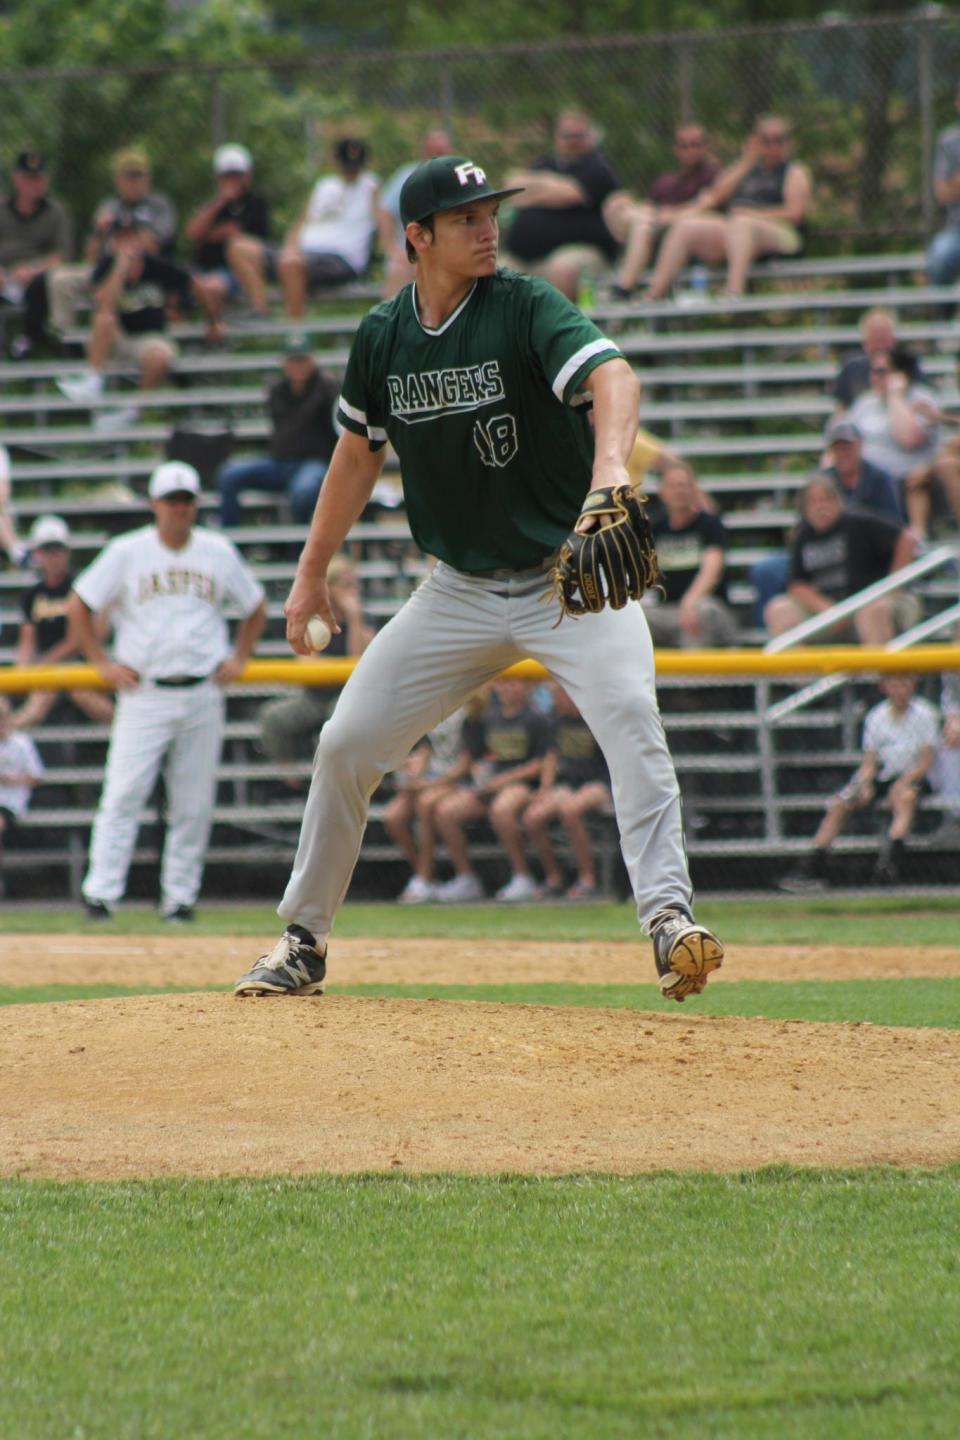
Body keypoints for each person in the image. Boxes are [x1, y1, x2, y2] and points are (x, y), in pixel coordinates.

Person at [232, 152, 722, 1002]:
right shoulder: (383, 336)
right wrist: (310, 576)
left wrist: (610, 468)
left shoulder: (527, 306)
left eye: (490, 211)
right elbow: (354, 454)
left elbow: (614, 375)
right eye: (466, 218)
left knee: (634, 718)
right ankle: (302, 941)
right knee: (346, 744)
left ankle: (668, 922)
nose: (488, 227)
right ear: (417, 237)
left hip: (566, 581)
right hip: (456, 588)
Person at [66, 461, 266, 922]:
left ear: (195, 503)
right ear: (154, 504)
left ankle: (179, 898)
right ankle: (100, 893)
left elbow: (255, 605)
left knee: (192, 803)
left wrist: (239, 657)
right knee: (122, 794)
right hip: (145, 690)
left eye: (186, 500)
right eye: (172, 500)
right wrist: (99, 662)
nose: (179, 508)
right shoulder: (127, 551)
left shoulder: (217, 551)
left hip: (202, 690)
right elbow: (79, 603)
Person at [780, 675, 939, 891]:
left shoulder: (924, 713)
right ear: (884, 686)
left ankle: (890, 864)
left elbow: (925, 762)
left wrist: (903, 783)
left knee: (906, 798)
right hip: (884, 776)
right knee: (840, 802)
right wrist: (864, 784)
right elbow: (869, 762)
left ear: (913, 685)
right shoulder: (877, 716)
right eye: (894, 683)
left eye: (904, 683)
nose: (899, 689)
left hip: (914, 778)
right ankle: (813, 865)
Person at [751, 415, 903, 626]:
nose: (843, 452)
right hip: (823, 564)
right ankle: (764, 639)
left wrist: (893, 584)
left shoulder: (877, 483)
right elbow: (802, 536)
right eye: (838, 447)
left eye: (847, 446)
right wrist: (827, 609)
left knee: (870, 603)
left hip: (867, 558)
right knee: (768, 570)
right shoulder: (822, 478)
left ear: (859, 445)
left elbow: (899, 532)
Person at [644, 117, 812, 301]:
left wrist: (751, 214)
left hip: (781, 236)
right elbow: (717, 195)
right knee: (686, 226)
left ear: (787, 143)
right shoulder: (744, 169)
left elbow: (795, 214)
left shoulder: (794, 172)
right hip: (738, 232)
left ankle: (734, 291)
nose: (772, 146)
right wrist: (747, 161)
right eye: (765, 140)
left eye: (778, 140)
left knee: (741, 222)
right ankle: (653, 294)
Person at [56, 214, 191, 431]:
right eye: (121, 237)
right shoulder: (106, 266)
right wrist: (120, 268)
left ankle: (134, 411)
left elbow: (191, 285)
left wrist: (210, 320)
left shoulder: (159, 265)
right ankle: (93, 379)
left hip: (149, 337)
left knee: (160, 356)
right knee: (104, 319)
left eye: (132, 236)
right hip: (115, 338)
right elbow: (104, 304)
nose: (128, 243)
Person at [258, 555, 374, 788]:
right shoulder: (314, 618)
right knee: (273, 717)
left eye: (355, 585)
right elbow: (305, 663)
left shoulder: (362, 619)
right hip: (313, 697)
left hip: (347, 697)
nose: (352, 592)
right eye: (346, 585)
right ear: (329, 588)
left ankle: (337, 779)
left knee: (338, 719)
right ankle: (292, 780)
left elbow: (358, 663)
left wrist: (353, 617)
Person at [431, 676, 550, 902]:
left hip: (521, 784)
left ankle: (522, 875)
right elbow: (476, 757)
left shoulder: (536, 717)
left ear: (526, 686)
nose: (506, 688)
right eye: (502, 682)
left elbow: (540, 763)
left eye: (513, 682)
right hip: (490, 785)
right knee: (446, 811)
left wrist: (504, 780)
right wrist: (480, 775)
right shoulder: (488, 717)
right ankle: (466, 878)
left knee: (502, 810)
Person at [764, 473, 918, 645]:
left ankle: (879, 671)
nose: (820, 507)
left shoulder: (859, 523)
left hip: (871, 602)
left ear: (838, 501)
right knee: (778, 610)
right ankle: (800, 672)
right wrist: (827, 610)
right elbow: (797, 585)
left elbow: (907, 539)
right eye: (813, 501)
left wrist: (893, 586)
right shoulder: (803, 536)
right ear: (804, 509)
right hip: (831, 611)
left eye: (826, 499)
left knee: (873, 611)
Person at [46, 146, 178, 341]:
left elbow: (155, 245)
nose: (133, 183)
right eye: (128, 177)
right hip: (107, 269)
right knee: (60, 280)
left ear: (148, 178)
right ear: (118, 180)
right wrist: (100, 233)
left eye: (138, 176)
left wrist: (124, 235)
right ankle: (63, 341)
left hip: (143, 272)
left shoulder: (159, 205)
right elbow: (90, 255)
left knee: (115, 296)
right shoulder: (108, 207)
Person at [216, 331, 340, 527]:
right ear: (284, 362)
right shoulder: (277, 390)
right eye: (293, 359)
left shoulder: (328, 388)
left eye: (302, 359)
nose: (298, 365)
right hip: (279, 463)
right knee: (229, 475)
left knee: (303, 491)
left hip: (314, 463)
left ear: (313, 360)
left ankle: (299, 552)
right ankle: (231, 543)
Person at [503, 110, 622, 301]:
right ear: (557, 137)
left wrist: (535, 190)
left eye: (579, 135)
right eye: (567, 135)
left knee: (562, 268)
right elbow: (512, 186)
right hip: (525, 255)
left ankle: (559, 329)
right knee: (495, 272)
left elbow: (572, 194)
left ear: (590, 137)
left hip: (583, 251)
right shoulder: (544, 163)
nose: (573, 141)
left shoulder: (598, 166)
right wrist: (556, 186)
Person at [12, 515, 114, 731]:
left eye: (57, 550)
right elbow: (27, 640)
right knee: (37, 701)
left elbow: (80, 638)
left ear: (67, 552)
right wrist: (21, 673)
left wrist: (46, 662)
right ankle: (9, 731)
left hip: (78, 661)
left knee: (78, 688)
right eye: (47, 550)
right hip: (48, 666)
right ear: (38, 554)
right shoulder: (33, 594)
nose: (53, 557)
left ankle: (127, 726)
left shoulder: (81, 586)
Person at [605, 124, 721, 298]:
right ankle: (623, 285)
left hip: (687, 235)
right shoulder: (667, 181)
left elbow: (707, 204)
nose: (690, 150)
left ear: (705, 146)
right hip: (653, 229)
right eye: (684, 145)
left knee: (643, 225)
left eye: (696, 144)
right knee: (619, 204)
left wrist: (671, 214)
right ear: (676, 149)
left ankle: (625, 288)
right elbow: (651, 207)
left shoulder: (714, 175)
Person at [523, 683, 612, 900]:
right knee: (532, 817)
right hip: (569, 784)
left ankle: (587, 879)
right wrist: (545, 788)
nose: (555, 700)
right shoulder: (557, 718)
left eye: (559, 695)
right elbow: (552, 755)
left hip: (598, 783)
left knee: (570, 810)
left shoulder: (596, 718)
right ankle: (555, 878)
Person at [385, 700, 475, 904]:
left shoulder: (467, 713)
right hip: (433, 778)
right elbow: (427, 750)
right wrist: (413, 776)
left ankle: (426, 877)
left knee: (426, 803)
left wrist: (429, 784)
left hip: (457, 781)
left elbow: (465, 765)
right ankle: (427, 879)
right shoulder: (431, 708)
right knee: (394, 817)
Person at [279, 138, 379, 317]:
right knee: (243, 249)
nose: (350, 172)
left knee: (291, 264)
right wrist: (290, 247)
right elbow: (304, 219)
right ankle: (258, 311)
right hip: (306, 254)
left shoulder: (370, 185)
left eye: (355, 166)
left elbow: (382, 219)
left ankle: (296, 334)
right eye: (347, 166)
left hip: (341, 260)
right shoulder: (324, 185)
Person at [643, 459, 737, 648]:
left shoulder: (710, 525)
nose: (680, 490)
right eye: (674, 485)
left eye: (685, 485)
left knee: (698, 613)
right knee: (634, 617)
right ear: (662, 492)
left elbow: (711, 571)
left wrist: (690, 602)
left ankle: (693, 678)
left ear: (694, 489)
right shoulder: (655, 529)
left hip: (710, 608)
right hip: (668, 611)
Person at [188, 143, 272, 342]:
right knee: (187, 286)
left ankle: (218, 341)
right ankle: (201, 340)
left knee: (212, 287)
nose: (233, 181)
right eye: (227, 176)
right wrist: (220, 202)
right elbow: (193, 233)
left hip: (235, 272)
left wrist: (210, 234)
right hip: (205, 267)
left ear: (247, 175)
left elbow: (235, 234)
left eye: (237, 175)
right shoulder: (212, 206)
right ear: (218, 178)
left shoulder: (255, 204)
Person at [0, 150, 72, 361]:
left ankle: (29, 341)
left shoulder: (56, 212)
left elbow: (61, 256)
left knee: (44, 284)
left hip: (36, 281)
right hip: (4, 278)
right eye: (29, 178)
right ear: (17, 179)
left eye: (39, 178)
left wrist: (32, 270)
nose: (35, 184)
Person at [845, 347, 940, 499]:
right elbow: (845, 438)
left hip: (906, 484)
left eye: (881, 371)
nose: (874, 377)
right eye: (873, 371)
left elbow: (909, 439)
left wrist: (896, 395)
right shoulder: (865, 403)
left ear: (900, 375)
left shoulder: (922, 400)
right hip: (863, 480)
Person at [378, 129, 453, 299]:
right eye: (431, 152)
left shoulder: (458, 179)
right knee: (399, 269)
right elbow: (385, 212)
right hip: (408, 251)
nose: (436, 157)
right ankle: (391, 323)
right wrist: (391, 249)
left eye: (441, 152)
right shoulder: (406, 176)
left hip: (447, 250)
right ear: (423, 152)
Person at [0, 696, 44, 860]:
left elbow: (36, 777)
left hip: (11, 800)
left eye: (2, 718)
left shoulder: (21, 742)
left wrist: (9, 780)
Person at [927, 83, 960, 287]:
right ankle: (943, 315)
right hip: (956, 230)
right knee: (940, 255)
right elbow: (942, 193)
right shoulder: (949, 141)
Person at [931, 667, 960, 840]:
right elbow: (952, 699)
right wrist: (953, 721)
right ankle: (955, 815)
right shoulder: (952, 660)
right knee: (949, 745)